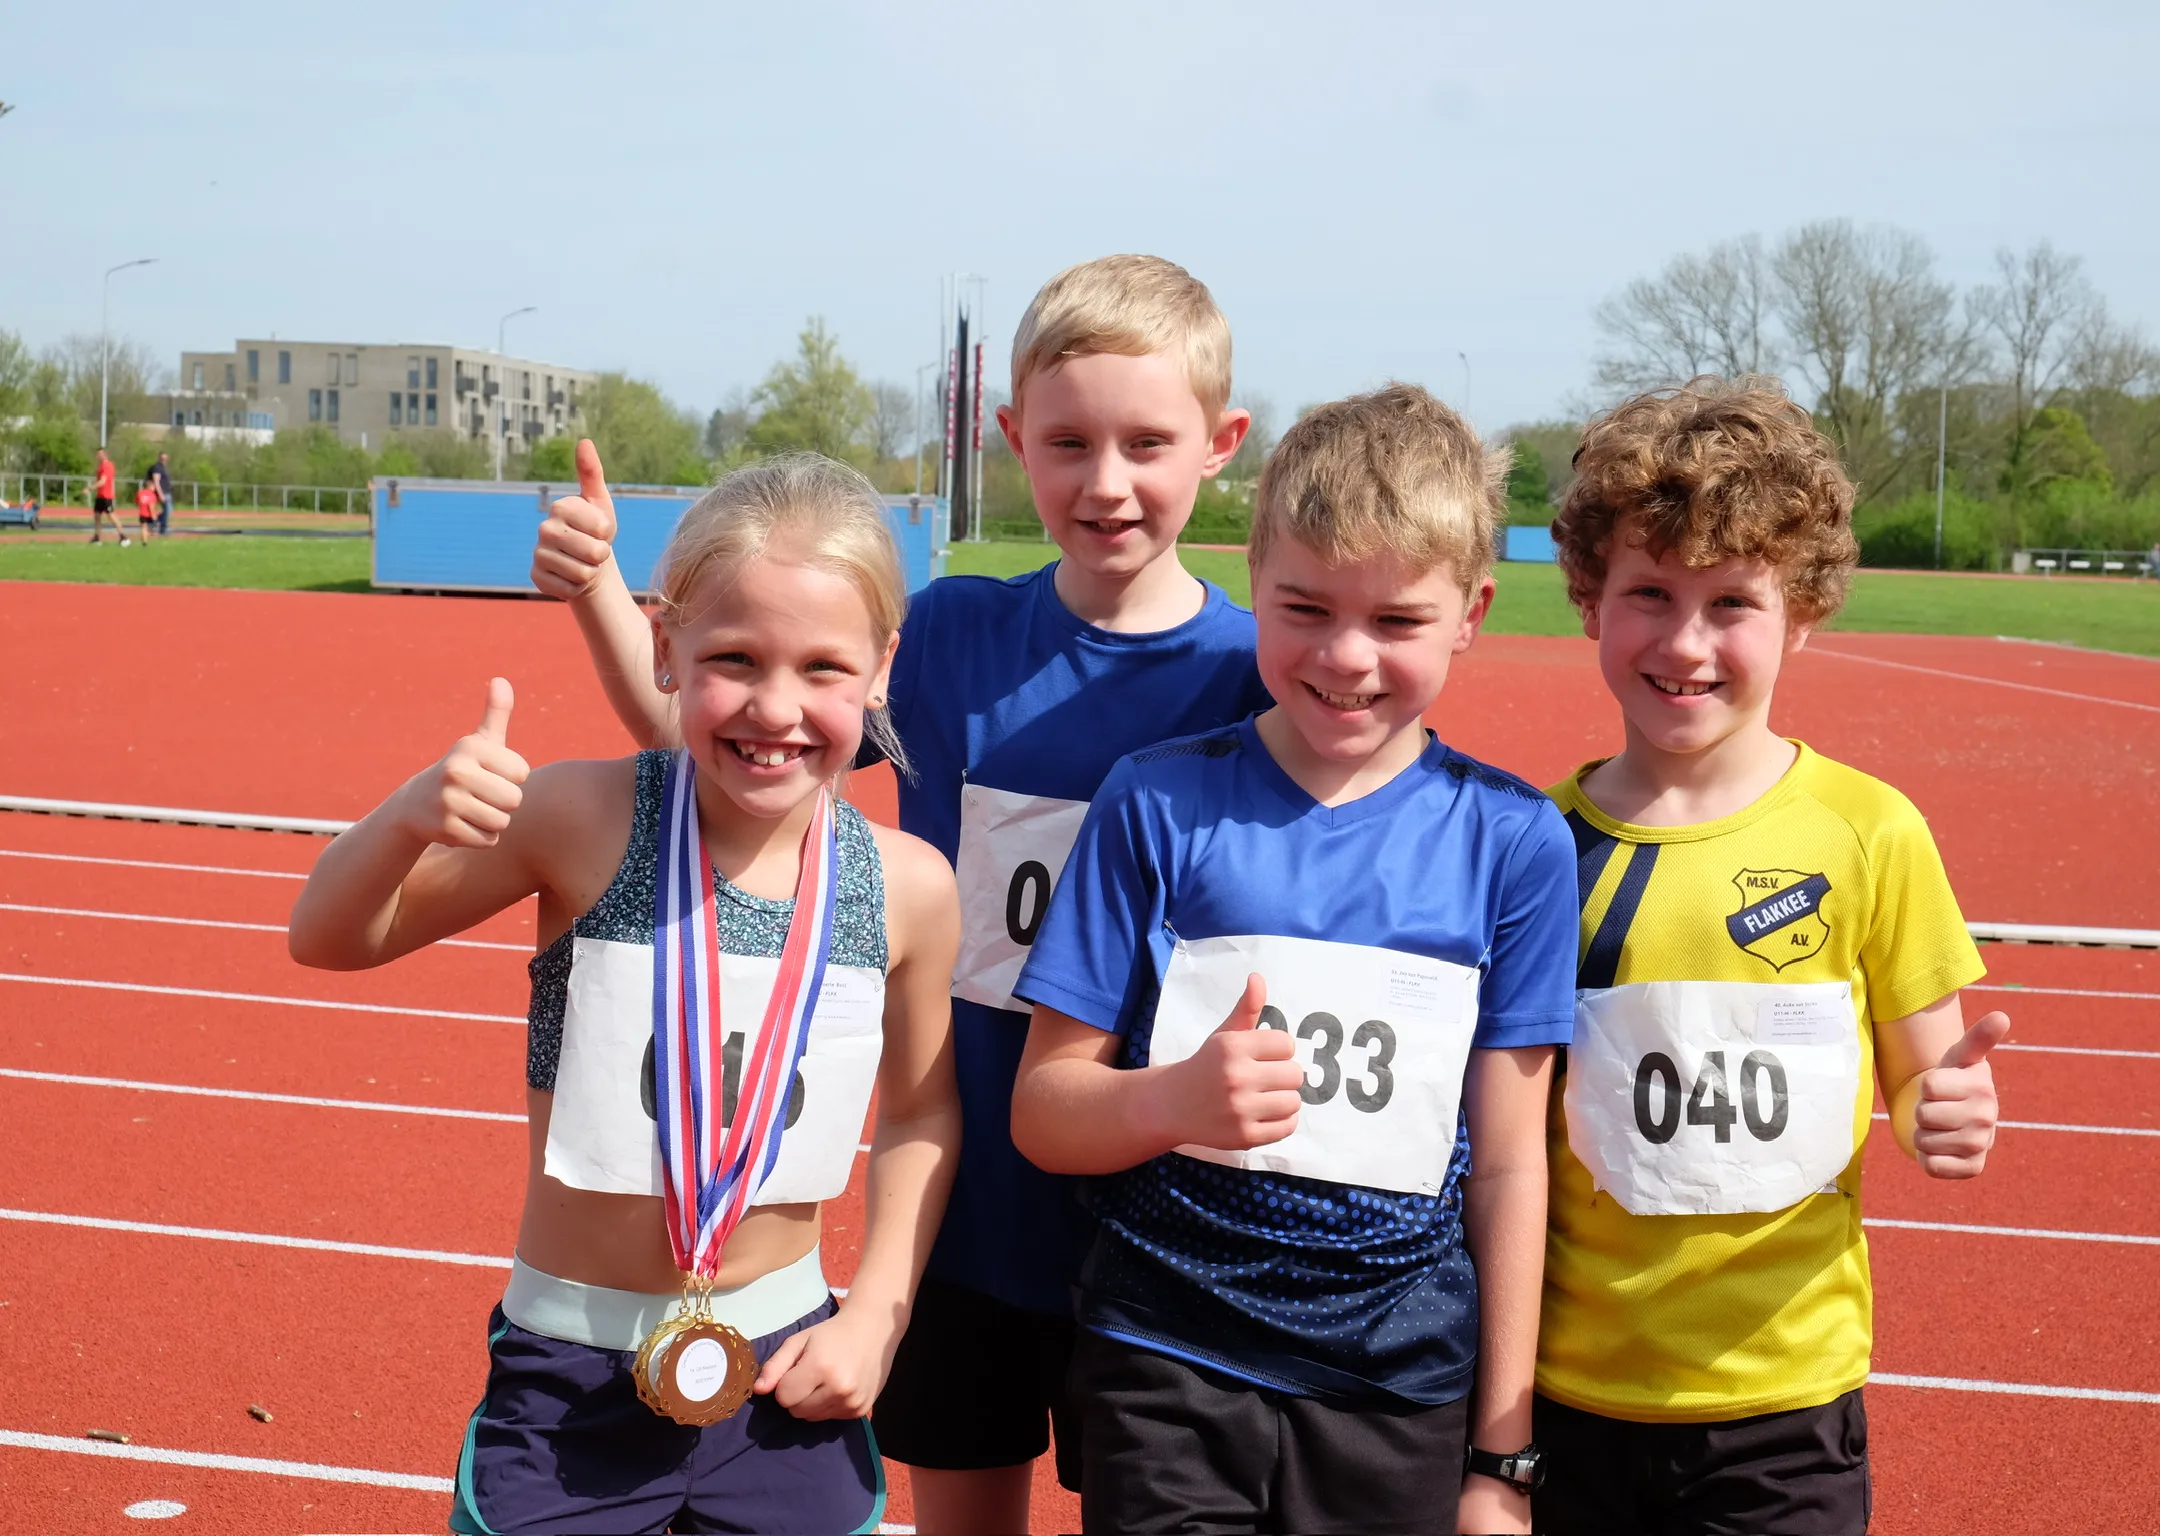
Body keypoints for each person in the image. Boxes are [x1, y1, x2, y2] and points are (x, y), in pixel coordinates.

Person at [530, 254, 1267, 1533]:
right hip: (967, 1207)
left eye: (1148, 442)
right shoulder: (957, 636)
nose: (1107, 481)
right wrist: (601, 590)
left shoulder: (1265, 673)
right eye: (1069, 441)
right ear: (1010, 442)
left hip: (1163, 1221)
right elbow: (712, 741)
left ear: (1221, 444)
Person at [290, 455, 963, 1535]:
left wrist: (878, 1316)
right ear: (665, 649)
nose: (775, 706)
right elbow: (326, 938)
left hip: (788, 1366)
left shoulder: (910, 889)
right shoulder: (583, 818)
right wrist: (410, 815)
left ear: (883, 668)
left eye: (824, 668)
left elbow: (924, 1108)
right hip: (569, 1374)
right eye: (734, 658)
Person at [1009, 384, 1580, 1536]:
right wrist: (1174, 1098)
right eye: (1305, 608)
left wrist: (1501, 1461)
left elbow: (1513, 1165)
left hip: (1397, 1373)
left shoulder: (1514, 843)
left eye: (1399, 622)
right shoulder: (1159, 802)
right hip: (1165, 1352)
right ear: (1253, 579)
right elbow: (1045, 1108)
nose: (1346, 657)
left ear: (1470, 612)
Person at [1531, 377, 2010, 1535]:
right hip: (1572, 1393)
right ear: (1591, 600)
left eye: (1731, 602)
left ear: (1803, 611)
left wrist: (1945, 1112)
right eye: (1649, 592)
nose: (1685, 643)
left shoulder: (1868, 831)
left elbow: (1927, 1080)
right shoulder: (1536, 842)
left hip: (1785, 1401)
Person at [89, 450, 129, 546]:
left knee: (111, 515)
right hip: (100, 495)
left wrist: (90, 488)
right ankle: (97, 537)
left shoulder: (107, 466)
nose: (97, 456)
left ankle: (123, 536)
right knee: (97, 516)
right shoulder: (101, 466)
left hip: (106, 496)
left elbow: (103, 481)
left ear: (105, 455)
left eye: (99, 454)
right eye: (97, 454)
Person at [147, 450, 174, 536]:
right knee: (167, 511)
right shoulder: (157, 467)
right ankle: (162, 529)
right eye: (162, 457)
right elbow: (156, 481)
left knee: (168, 511)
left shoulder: (163, 467)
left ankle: (152, 522)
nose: (164, 459)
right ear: (160, 457)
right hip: (163, 492)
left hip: (167, 492)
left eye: (165, 457)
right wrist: (160, 494)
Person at [133, 474, 159, 545]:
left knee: (143, 528)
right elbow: (151, 505)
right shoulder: (152, 494)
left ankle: (144, 541)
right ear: (149, 486)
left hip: (142, 513)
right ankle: (147, 537)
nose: (154, 488)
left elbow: (137, 502)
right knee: (150, 529)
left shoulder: (139, 493)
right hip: (149, 514)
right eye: (153, 486)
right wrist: (153, 515)